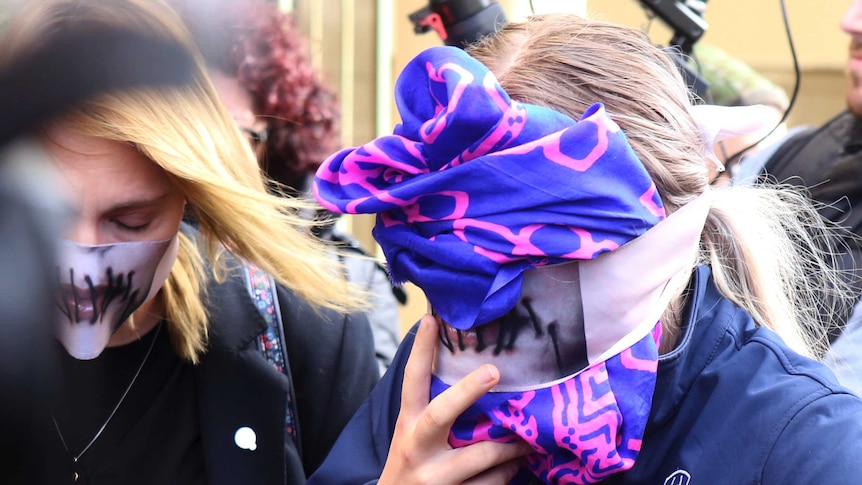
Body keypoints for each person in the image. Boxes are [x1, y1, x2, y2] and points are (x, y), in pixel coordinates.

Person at [308, 13, 862, 485]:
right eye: (453, 303)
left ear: (653, 253)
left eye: (524, 306)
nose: (485, 347)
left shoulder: (805, 447)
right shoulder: (429, 387)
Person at [0, 1, 379, 484]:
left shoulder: (306, 330)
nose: (82, 258)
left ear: (189, 195)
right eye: (49, 215)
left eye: (130, 221)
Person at [170, 0, 405, 374]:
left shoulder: (347, 280)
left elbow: (375, 423)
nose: (209, 158)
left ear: (274, 139)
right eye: (188, 133)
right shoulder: (142, 267)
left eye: (233, 134)